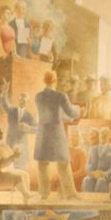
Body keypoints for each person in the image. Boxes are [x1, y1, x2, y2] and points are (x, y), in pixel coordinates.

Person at [34, 71, 80, 200]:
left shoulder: (38, 96)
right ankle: (70, 194)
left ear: (44, 81)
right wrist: (79, 110)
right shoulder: (61, 96)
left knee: (43, 165)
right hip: (56, 134)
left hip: (43, 133)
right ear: (56, 80)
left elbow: (51, 114)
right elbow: (71, 112)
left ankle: (43, 194)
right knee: (63, 164)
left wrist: (65, 117)